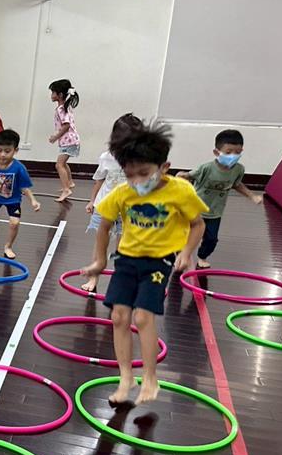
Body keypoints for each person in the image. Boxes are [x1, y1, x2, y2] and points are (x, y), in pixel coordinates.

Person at [83, 120, 207, 405]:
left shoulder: (180, 191)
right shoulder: (123, 192)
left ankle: (150, 378)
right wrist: (99, 261)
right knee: (118, 317)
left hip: (159, 261)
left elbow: (198, 224)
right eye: (130, 175)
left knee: (142, 317)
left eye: (144, 173)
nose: (137, 181)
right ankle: (126, 377)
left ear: (164, 167)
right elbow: (104, 225)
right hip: (126, 259)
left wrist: (186, 252)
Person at [178, 129, 264, 268]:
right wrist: (182, 176)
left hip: (215, 212)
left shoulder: (238, 170)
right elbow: (190, 176)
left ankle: (202, 256)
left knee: (211, 239)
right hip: (196, 209)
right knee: (185, 234)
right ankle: (181, 254)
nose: (233, 156)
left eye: (237, 152)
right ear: (217, 152)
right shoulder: (206, 168)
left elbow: (237, 185)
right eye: (228, 152)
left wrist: (252, 196)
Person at [80, 113, 141, 293]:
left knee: (123, 248)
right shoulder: (106, 157)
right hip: (105, 207)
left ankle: (121, 279)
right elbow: (99, 180)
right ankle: (93, 278)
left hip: (127, 210)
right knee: (100, 246)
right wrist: (92, 201)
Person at [0, 129, 41, 260]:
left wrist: (33, 200)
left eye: (7, 151)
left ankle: (8, 247)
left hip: (13, 200)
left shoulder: (19, 168)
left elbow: (24, 186)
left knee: (14, 223)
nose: (2, 155)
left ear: (15, 150)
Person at [48, 79, 81, 203]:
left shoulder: (61, 109)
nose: (51, 95)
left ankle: (66, 189)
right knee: (63, 163)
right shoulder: (65, 107)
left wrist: (55, 136)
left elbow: (66, 125)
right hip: (70, 141)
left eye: (53, 92)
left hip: (69, 141)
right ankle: (69, 182)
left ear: (60, 95)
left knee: (59, 165)